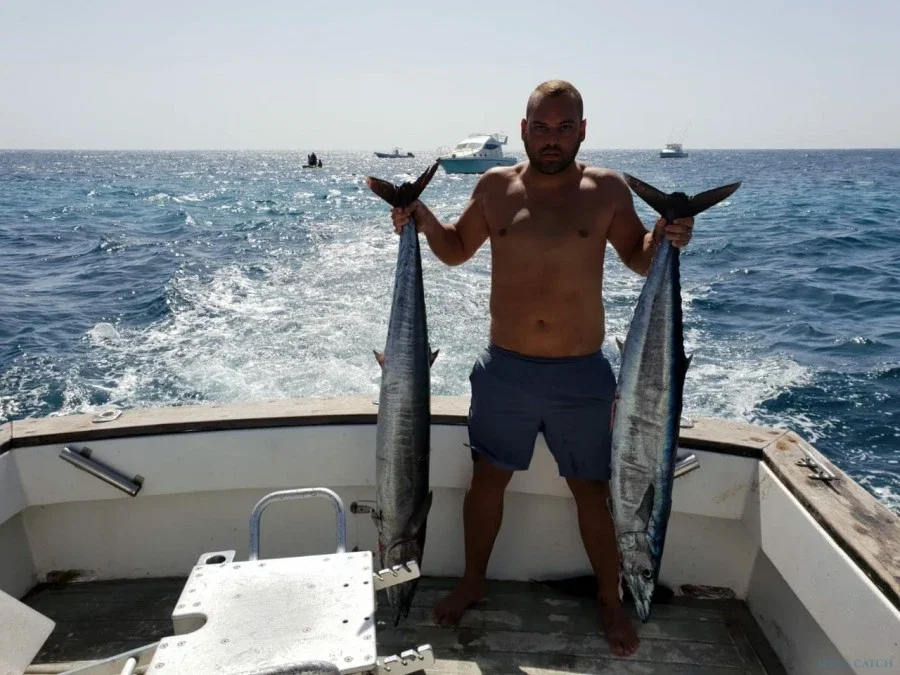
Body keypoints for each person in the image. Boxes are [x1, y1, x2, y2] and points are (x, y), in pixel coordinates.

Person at [388, 80, 695, 657]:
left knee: (593, 489)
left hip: (582, 374)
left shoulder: (606, 189)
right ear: (524, 130)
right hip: (505, 368)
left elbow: (638, 259)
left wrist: (665, 235)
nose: (552, 139)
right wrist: (422, 218)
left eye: (564, 127)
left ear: (582, 130)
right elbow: (456, 249)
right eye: (542, 127)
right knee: (487, 480)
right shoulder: (494, 186)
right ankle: (473, 582)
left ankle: (611, 599)